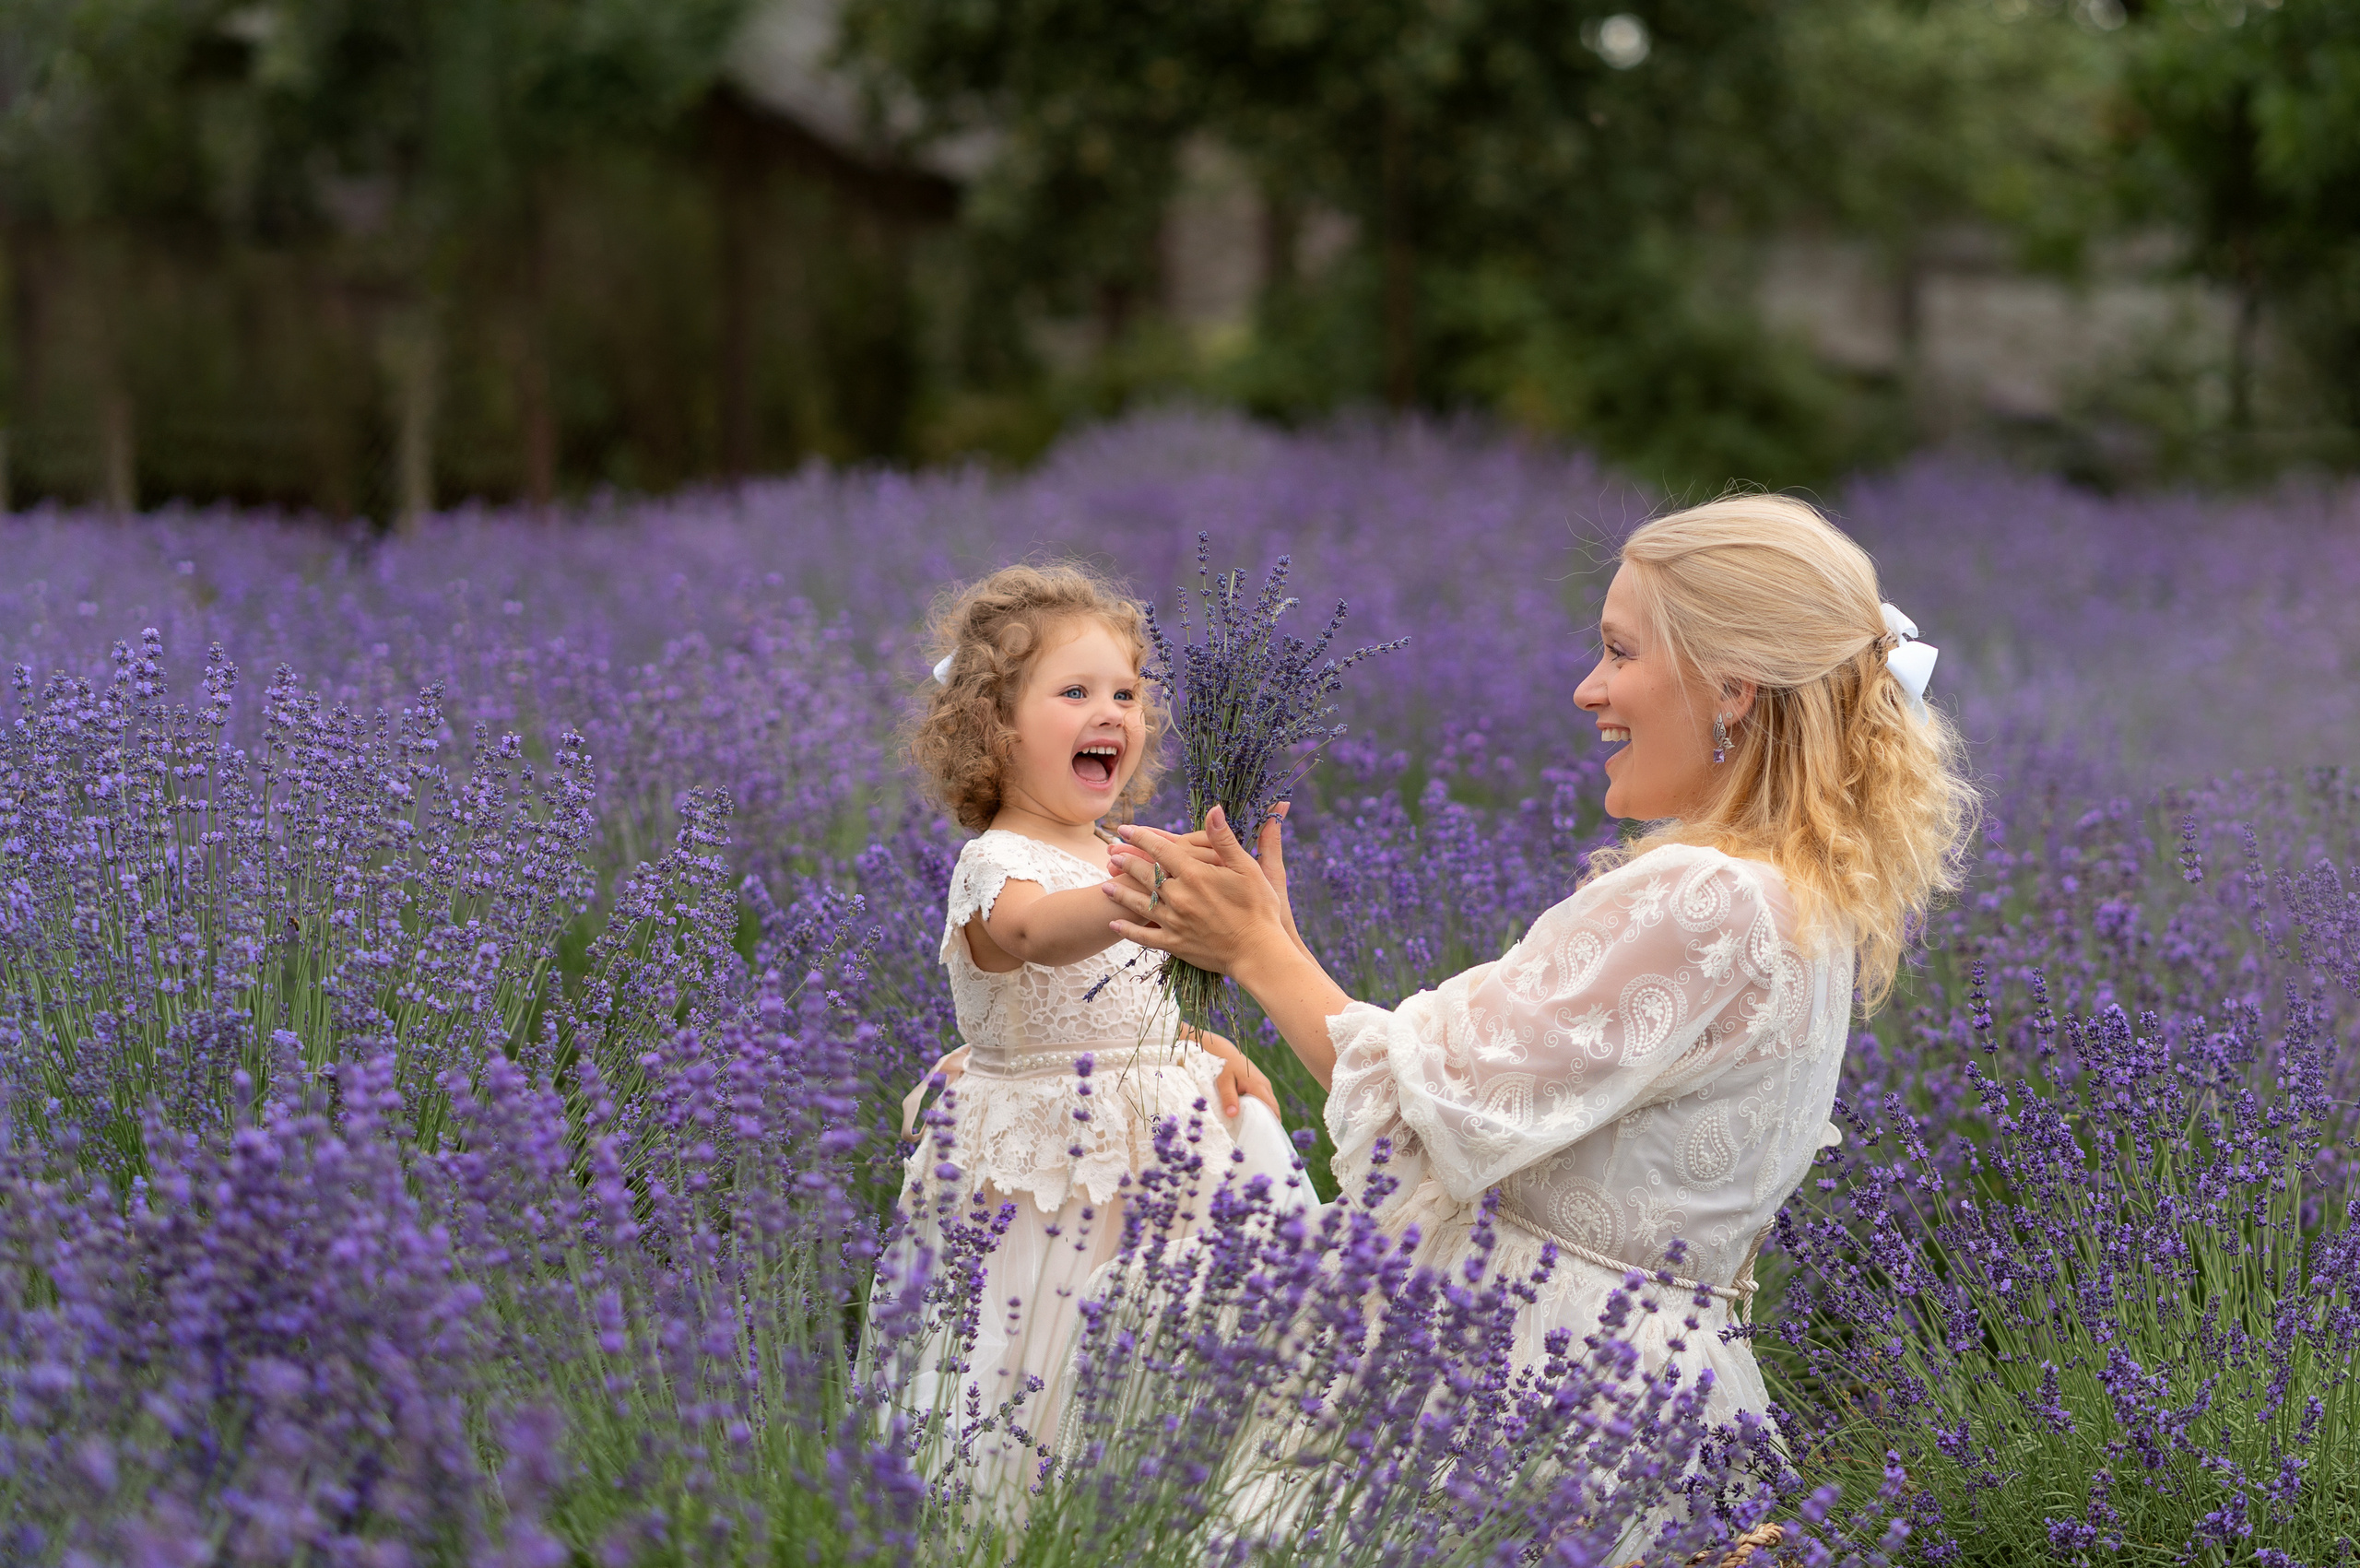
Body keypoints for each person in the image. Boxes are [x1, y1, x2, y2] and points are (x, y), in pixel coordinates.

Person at [1097, 495, 1975, 1449]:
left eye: (1621, 652)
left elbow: (1432, 1117)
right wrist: (1269, 936)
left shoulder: (1707, 896)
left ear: (1731, 689)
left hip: (1535, 1382)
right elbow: (1475, 1087)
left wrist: (1255, 953)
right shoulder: (1799, 900)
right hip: (1649, 1387)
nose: (1587, 690)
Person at [876, 561, 1306, 1503]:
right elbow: (1033, 933)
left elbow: (1141, 1003)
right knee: (1043, 1387)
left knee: (1184, 1377)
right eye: (1074, 692)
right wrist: (1150, 889)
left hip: (1170, 1158)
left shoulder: (1122, 850)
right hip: (1045, 1184)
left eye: (1126, 693)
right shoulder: (995, 863)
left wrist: (1237, 956)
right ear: (996, 726)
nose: (1110, 711)